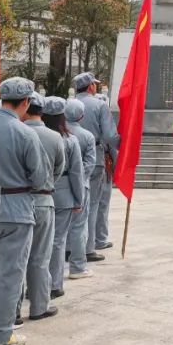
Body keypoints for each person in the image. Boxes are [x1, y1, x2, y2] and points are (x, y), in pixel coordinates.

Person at [0, 77, 46, 345]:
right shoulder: (26, 133)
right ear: (26, 102)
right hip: (17, 210)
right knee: (9, 275)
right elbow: (39, 178)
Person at [20, 92, 65, 321]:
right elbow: (58, 169)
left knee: (13, 259)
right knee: (40, 256)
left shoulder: (16, 132)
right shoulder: (54, 137)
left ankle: (12, 310)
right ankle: (39, 306)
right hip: (43, 200)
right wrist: (45, 186)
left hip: (16, 200)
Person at [74, 72, 119, 260]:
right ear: (91, 86)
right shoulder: (99, 105)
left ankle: (72, 245)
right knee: (92, 203)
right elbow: (109, 135)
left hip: (68, 158)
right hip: (94, 157)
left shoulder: (67, 104)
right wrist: (122, 144)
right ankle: (88, 247)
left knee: (73, 204)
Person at [44, 96, 84, 298]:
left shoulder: (35, 135)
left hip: (39, 192)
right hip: (64, 193)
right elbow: (77, 173)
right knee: (58, 241)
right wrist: (79, 199)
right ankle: (54, 284)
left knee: (37, 243)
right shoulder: (69, 140)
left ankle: (37, 283)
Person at [64, 98, 97, 281]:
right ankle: (77, 266)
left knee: (57, 231)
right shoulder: (87, 136)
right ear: (82, 116)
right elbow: (89, 164)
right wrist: (77, 177)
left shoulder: (57, 132)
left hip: (57, 187)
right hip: (81, 185)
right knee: (78, 227)